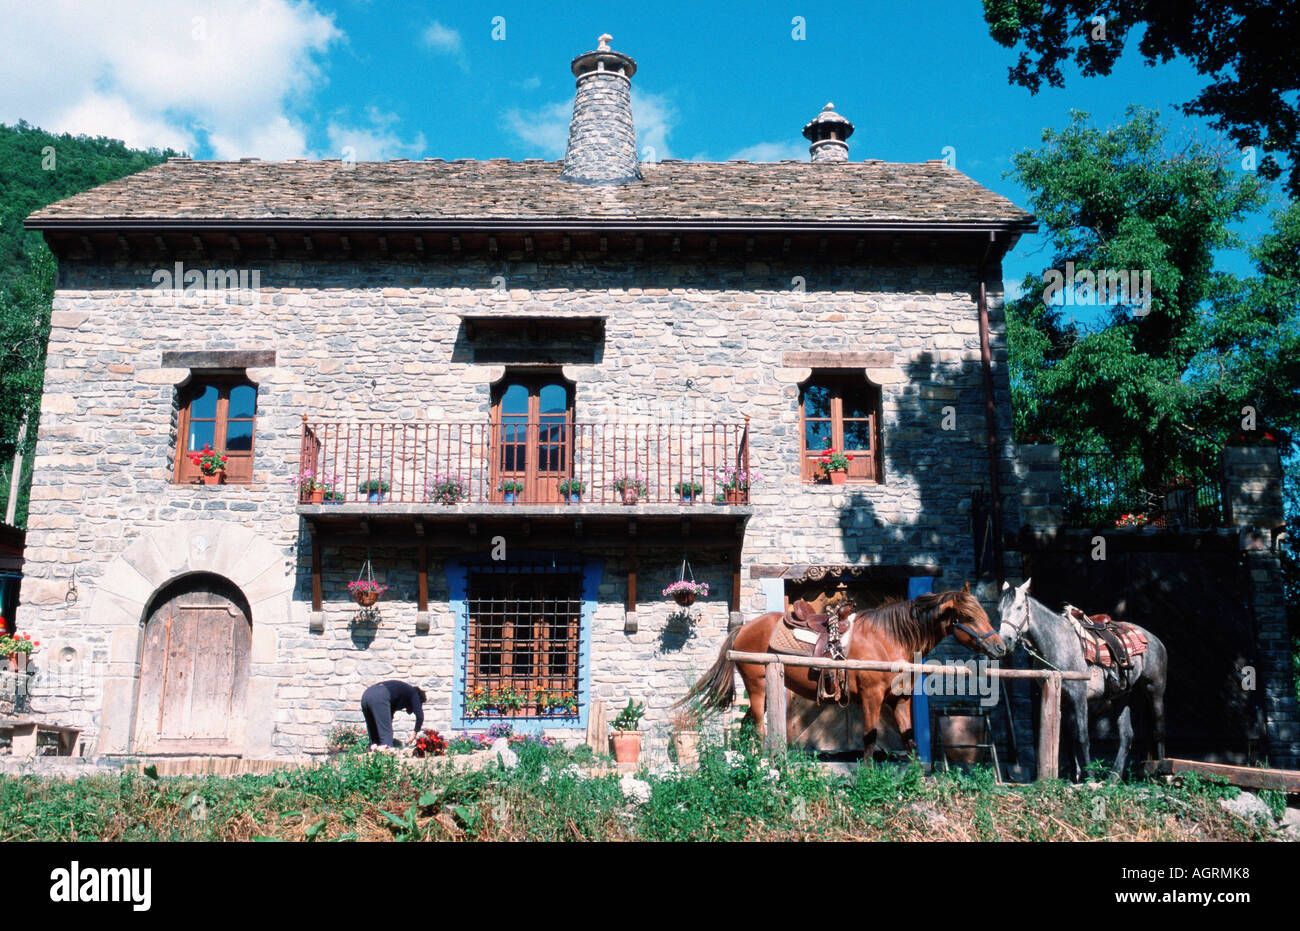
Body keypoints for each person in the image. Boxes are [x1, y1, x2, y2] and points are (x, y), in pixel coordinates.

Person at [359, 680, 426, 749]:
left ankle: (374, 754)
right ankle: (387, 756)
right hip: (380, 695)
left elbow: (387, 717)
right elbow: (420, 716)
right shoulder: (414, 693)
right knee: (386, 738)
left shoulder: (400, 693)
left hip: (366, 695)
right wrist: (413, 735)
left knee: (374, 739)